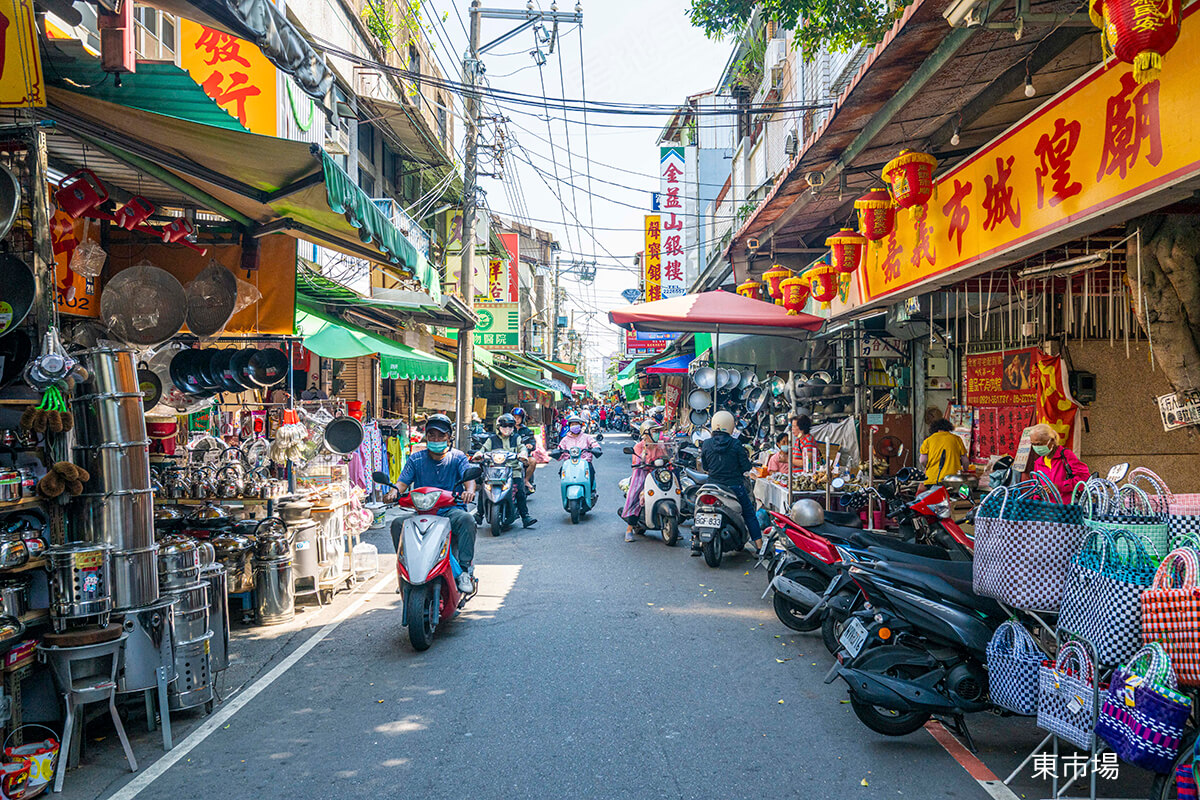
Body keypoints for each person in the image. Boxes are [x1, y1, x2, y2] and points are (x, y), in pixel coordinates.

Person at [393, 413, 478, 594]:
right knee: (398, 524)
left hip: (450, 511)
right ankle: (405, 571)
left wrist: (469, 491)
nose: (436, 439)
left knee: (467, 520)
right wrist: (393, 492)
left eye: (441, 435)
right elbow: (402, 483)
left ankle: (464, 571)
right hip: (423, 513)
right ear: (426, 436)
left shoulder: (458, 458)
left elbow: (468, 479)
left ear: (449, 437)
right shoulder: (416, 459)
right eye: (432, 435)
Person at [698, 411, 763, 556]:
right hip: (734, 486)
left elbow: (705, 466)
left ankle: (696, 540)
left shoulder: (706, 444)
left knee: (700, 508)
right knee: (749, 513)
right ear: (731, 425)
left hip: (712, 486)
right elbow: (745, 466)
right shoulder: (735, 444)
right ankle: (760, 547)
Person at [477, 413, 537, 528]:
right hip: (494, 471)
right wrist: (479, 454)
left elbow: (522, 447)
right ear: (499, 427)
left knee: (520, 490)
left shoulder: (516, 438)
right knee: (483, 490)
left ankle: (525, 516)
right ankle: (479, 514)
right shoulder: (492, 439)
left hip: (513, 470)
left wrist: (523, 454)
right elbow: (483, 448)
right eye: (504, 426)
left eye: (510, 426)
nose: (507, 429)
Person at [621, 421, 667, 542]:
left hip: (660, 474)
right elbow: (636, 463)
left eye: (658, 431)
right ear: (646, 433)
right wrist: (643, 459)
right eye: (655, 431)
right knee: (635, 496)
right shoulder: (639, 446)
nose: (658, 434)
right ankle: (629, 528)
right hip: (643, 473)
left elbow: (670, 452)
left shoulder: (661, 443)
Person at [1027, 423, 1088, 500]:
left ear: (1051, 441)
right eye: (1033, 444)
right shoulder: (1039, 462)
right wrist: (1038, 493)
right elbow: (1035, 485)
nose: (1036, 447)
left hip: (1066, 505)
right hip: (1046, 506)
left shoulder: (1065, 455)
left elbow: (1084, 478)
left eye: (1039, 444)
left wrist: (1059, 486)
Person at [557, 413, 600, 496]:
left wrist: (596, 448)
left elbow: (594, 443)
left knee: (591, 471)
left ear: (580, 426)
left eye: (576, 424)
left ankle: (591, 490)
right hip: (569, 462)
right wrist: (557, 452)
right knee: (561, 471)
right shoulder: (565, 439)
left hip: (585, 462)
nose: (574, 426)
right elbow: (560, 448)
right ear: (569, 426)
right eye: (572, 424)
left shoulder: (586, 437)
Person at [919, 419, 969, 485]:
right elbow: (965, 460)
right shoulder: (956, 439)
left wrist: (929, 467)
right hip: (952, 479)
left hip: (932, 479)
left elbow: (922, 460)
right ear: (949, 428)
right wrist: (965, 470)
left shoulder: (928, 441)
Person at [510, 407, 538, 491]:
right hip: (510, 456)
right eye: (515, 417)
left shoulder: (526, 430)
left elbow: (532, 442)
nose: (517, 419)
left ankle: (526, 480)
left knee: (532, 461)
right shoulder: (508, 429)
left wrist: (530, 445)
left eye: (519, 417)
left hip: (523, 456)